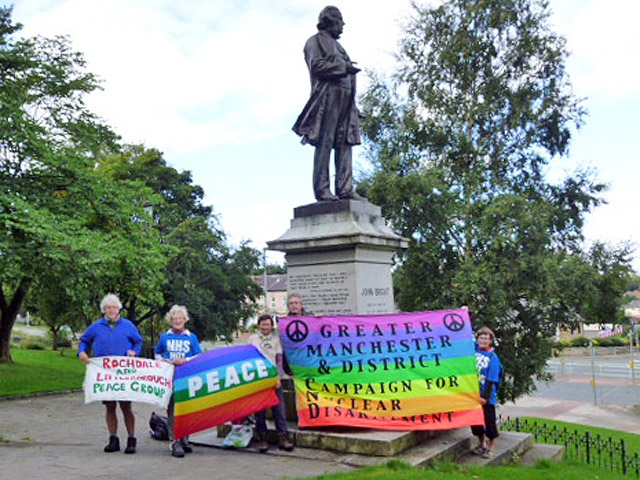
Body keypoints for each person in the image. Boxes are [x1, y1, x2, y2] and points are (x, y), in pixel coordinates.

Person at [292, 6, 366, 202]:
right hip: (327, 99)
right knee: (325, 143)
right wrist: (344, 68)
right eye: (340, 20)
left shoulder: (339, 46)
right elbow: (317, 67)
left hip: (345, 101)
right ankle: (322, 189)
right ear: (329, 21)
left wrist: (354, 107)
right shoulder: (314, 42)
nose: (343, 25)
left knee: (345, 143)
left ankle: (345, 188)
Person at [78, 293, 143, 454]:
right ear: (104, 310)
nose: (111, 310)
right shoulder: (96, 326)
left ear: (119, 308)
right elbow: (84, 341)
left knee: (126, 406)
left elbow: (138, 341)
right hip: (105, 373)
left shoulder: (128, 325)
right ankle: (113, 438)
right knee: (110, 407)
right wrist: (82, 353)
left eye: (114, 307)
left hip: (123, 372)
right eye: (108, 308)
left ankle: (131, 438)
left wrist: (135, 352)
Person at [154, 305, 202, 458]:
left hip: (187, 377)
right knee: (172, 409)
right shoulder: (165, 337)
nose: (177, 321)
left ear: (185, 320)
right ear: (171, 320)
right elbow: (157, 353)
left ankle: (185, 438)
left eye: (180, 318)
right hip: (170, 378)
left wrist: (185, 360)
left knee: (187, 409)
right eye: (174, 319)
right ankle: (174, 441)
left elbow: (198, 356)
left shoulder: (191, 337)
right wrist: (164, 360)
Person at [249, 314, 294, 452]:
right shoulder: (253, 339)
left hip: (274, 379)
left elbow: (279, 359)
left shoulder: (276, 339)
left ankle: (283, 437)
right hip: (259, 379)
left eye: (268, 324)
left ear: (271, 326)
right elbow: (248, 359)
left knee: (279, 409)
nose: (266, 327)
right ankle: (262, 438)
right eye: (263, 324)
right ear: (259, 325)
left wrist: (279, 377)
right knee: (260, 411)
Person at [470, 326, 502, 459]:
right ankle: (481, 444)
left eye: (486, 339)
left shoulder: (493, 358)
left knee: (489, 422)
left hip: (486, 396)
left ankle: (492, 447)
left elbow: (492, 379)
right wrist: (465, 314)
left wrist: (485, 397)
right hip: (473, 394)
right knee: (476, 422)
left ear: (490, 341)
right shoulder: (474, 350)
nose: (483, 341)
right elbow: (463, 334)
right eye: (481, 338)